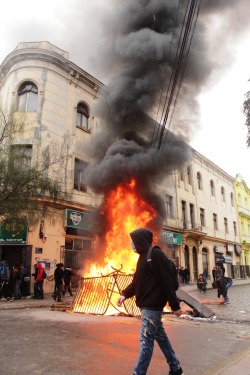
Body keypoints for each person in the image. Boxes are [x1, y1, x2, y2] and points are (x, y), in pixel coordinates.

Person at [117, 228, 184, 375]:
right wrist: (124, 294)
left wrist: (175, 306)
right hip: (147, 307)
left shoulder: (155, 254)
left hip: (152, 307)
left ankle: (139, 373)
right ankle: (175, 368)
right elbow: (136, 282)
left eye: (133, 241)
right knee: (161, 338)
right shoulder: (142, 258)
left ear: (140, 240)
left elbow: (166, 281)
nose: (132, 244)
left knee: (146, 342)